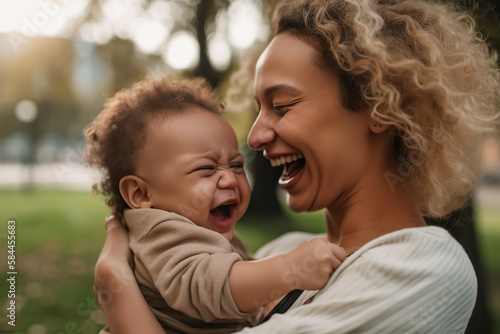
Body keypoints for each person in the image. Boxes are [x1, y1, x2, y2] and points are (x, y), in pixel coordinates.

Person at [92, 0, 500, 332]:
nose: (253, 138)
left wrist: (116, 283)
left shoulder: (421, 268)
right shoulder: (278, 253)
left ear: (379, 105)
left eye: (282, 106)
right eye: (258, 110)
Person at [84, 77, 346, 333]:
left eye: (236, 164)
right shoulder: (161, 231)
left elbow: (237, 275)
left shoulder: (199, 232)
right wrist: (288, 269)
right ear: (140, 194)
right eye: (206, 168)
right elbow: (206, 283)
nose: (230, 178)